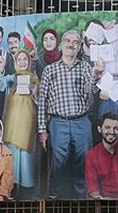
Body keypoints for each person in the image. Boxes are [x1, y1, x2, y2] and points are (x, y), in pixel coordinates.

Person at [37, 30, 105, 199]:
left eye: (75, 42)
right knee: (58, 166)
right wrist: (42, 130)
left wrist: (95, 76)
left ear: (79, 47)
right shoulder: (49, 70)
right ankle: (60, 202)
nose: (70, 44)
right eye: (67, 40)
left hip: (81, 122)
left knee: (83, 163)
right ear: (61, 44)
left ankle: (83, 202)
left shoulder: (85, 67)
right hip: (57, 123)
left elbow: (91, 92)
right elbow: (42, 101)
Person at [0, 49, 39, 199]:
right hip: (12, 128)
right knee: (12, 162)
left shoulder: (34, 79)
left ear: (29, 62)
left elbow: (40, 102)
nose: (22, 62)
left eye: (25, 60)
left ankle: (26, 196)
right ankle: (10, 192)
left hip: (27, 128)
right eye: (19, 60)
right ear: (15, 62)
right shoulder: (11, 78)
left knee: (26, 163)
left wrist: (35, 91)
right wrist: (0, 67)